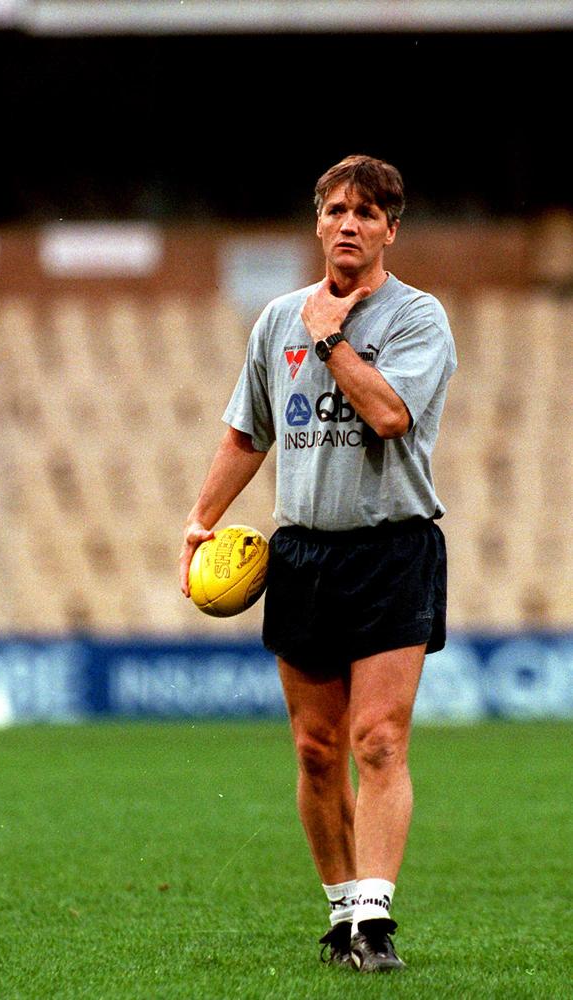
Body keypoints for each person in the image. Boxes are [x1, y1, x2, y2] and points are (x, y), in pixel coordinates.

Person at [179, 154, 456, 973]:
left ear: (390, 229)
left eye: (368, 214)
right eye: (337, 209)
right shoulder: (275, 322)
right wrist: (200, 520)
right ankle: (341, 912)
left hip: (392, 547)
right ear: (317, 222)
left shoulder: (418, 318)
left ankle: (375, 918)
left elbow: (390, 415)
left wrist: (331, 337)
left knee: (378, 739)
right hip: (302, 553)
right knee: (315, 748)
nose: (349, 223)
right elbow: (246, 434)